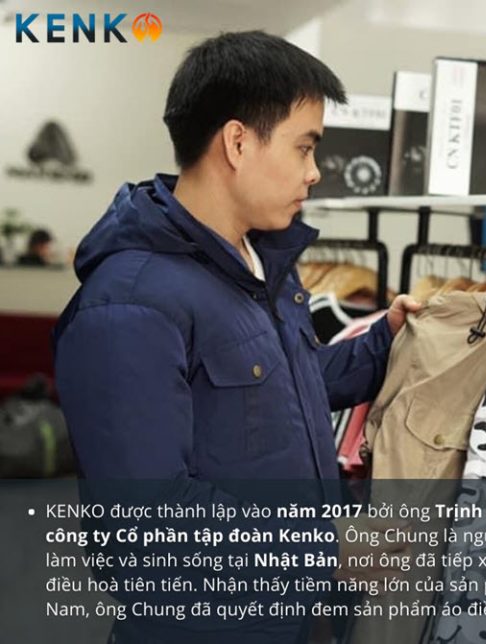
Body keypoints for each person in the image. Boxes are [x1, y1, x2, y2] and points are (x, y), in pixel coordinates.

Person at [53, 31, 420, 644]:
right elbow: (145, 521)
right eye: (304, 147)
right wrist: (323, 550)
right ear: (238, 142)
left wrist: (384, 338)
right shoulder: (129, 305)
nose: (314, 172)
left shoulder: (258, 266)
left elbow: (288, 387)